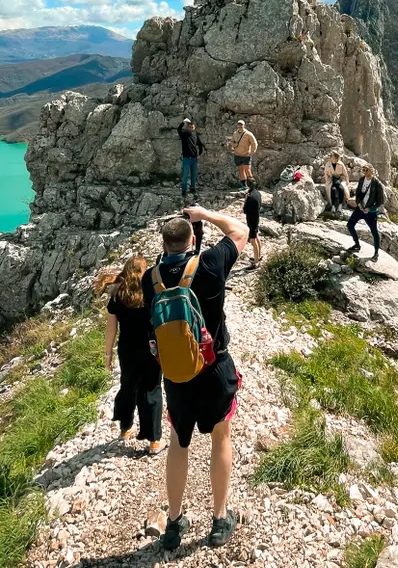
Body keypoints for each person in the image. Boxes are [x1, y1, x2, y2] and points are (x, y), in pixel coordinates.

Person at [142, 206, 249, 551]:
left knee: (178, 441)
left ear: (164, 243)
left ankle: (173, 523)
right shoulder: (209, 264)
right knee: (221, 436)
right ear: (192, 240)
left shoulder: (150, 278)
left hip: (176, 375)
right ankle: (219, 520)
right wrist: (206, 214)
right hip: (214, 369)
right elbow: (241, 231)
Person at [98, 256, 163, 456]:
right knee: (151, 390)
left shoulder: (118, 295)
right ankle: (153, 441)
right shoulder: (151, 293)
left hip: (127, 349)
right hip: (151, 348)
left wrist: (108, 355)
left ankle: (126, 428)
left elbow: (111, 328)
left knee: (128, 386)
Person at [347, 164, 385, 260]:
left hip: (370, 212)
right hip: (360, 208)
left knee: (374, 232)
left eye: (366, 170)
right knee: (350, 225)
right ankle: (357, 245)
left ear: (371, 171)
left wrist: (370, 209)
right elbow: (358, 194)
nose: (364, 172)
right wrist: (359, 204)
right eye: (363, 170)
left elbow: (381, 201)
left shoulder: (377, 184)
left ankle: (376, 253)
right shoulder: (361, 180)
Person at [177, 117, 204, 200]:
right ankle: (184, 191)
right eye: (190, 127)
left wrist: (199, 154)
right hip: (186, 158)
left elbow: (200, 144)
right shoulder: (184, 134)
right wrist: (183, 122)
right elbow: (178, 130)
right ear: (187, 127)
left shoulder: (195, 135)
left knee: (193, 175)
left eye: (192, 127)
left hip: (194, 158)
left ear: (194, 127)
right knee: (185, 175)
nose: (191, 128)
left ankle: (192, 189)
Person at [229, 119, 258, 189]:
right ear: (237, 126)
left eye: (241, 125)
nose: (240, 127)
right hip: (237, 155)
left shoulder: (248, 134)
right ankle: (244, 185)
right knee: (241, 170)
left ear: (244, 126)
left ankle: (252, 186)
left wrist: (252, 152)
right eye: (239, 125)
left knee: (248, 170)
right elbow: (231, 141)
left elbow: (254, 143)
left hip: (246, 155)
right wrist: (233, 146)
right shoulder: (235, 133)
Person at [242, 178, 263, 267]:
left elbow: (245, 210)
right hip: (256, 218)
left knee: (253, 240)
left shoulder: (250, 196)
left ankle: (256, 262)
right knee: (257, 236)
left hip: (251, 220)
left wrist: (246, 200)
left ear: (247, 185)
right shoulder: (257, 193)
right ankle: (258, 255)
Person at [324, 150, 350, 215]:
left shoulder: (341, 164)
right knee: (333, 189)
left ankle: (340, 205)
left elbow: (345, 174)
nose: (331, 158)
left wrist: (347, 181)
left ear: (336, 157)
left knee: (341, 188)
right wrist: (327, 181)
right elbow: (326, 174)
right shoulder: (328, 164)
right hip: (331, 180)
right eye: (331, 156)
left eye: (333, 156)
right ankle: (333, 206)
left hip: (340, 179)